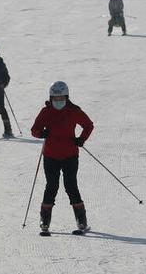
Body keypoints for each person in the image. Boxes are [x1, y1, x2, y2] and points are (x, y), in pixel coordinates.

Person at [31, 81, 94, 235]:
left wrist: (81, 139)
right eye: (55, 99)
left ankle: (81, 220)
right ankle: (44, 220)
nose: (58, 102)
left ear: (66, 97)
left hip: (70, 155)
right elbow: (34, 130)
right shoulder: (46, 112)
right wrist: (41, 133)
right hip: (51, 155)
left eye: (61, 99)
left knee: (71, 186)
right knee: (51, 186)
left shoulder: (74, 111)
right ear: (51, 98)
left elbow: (88, 125)